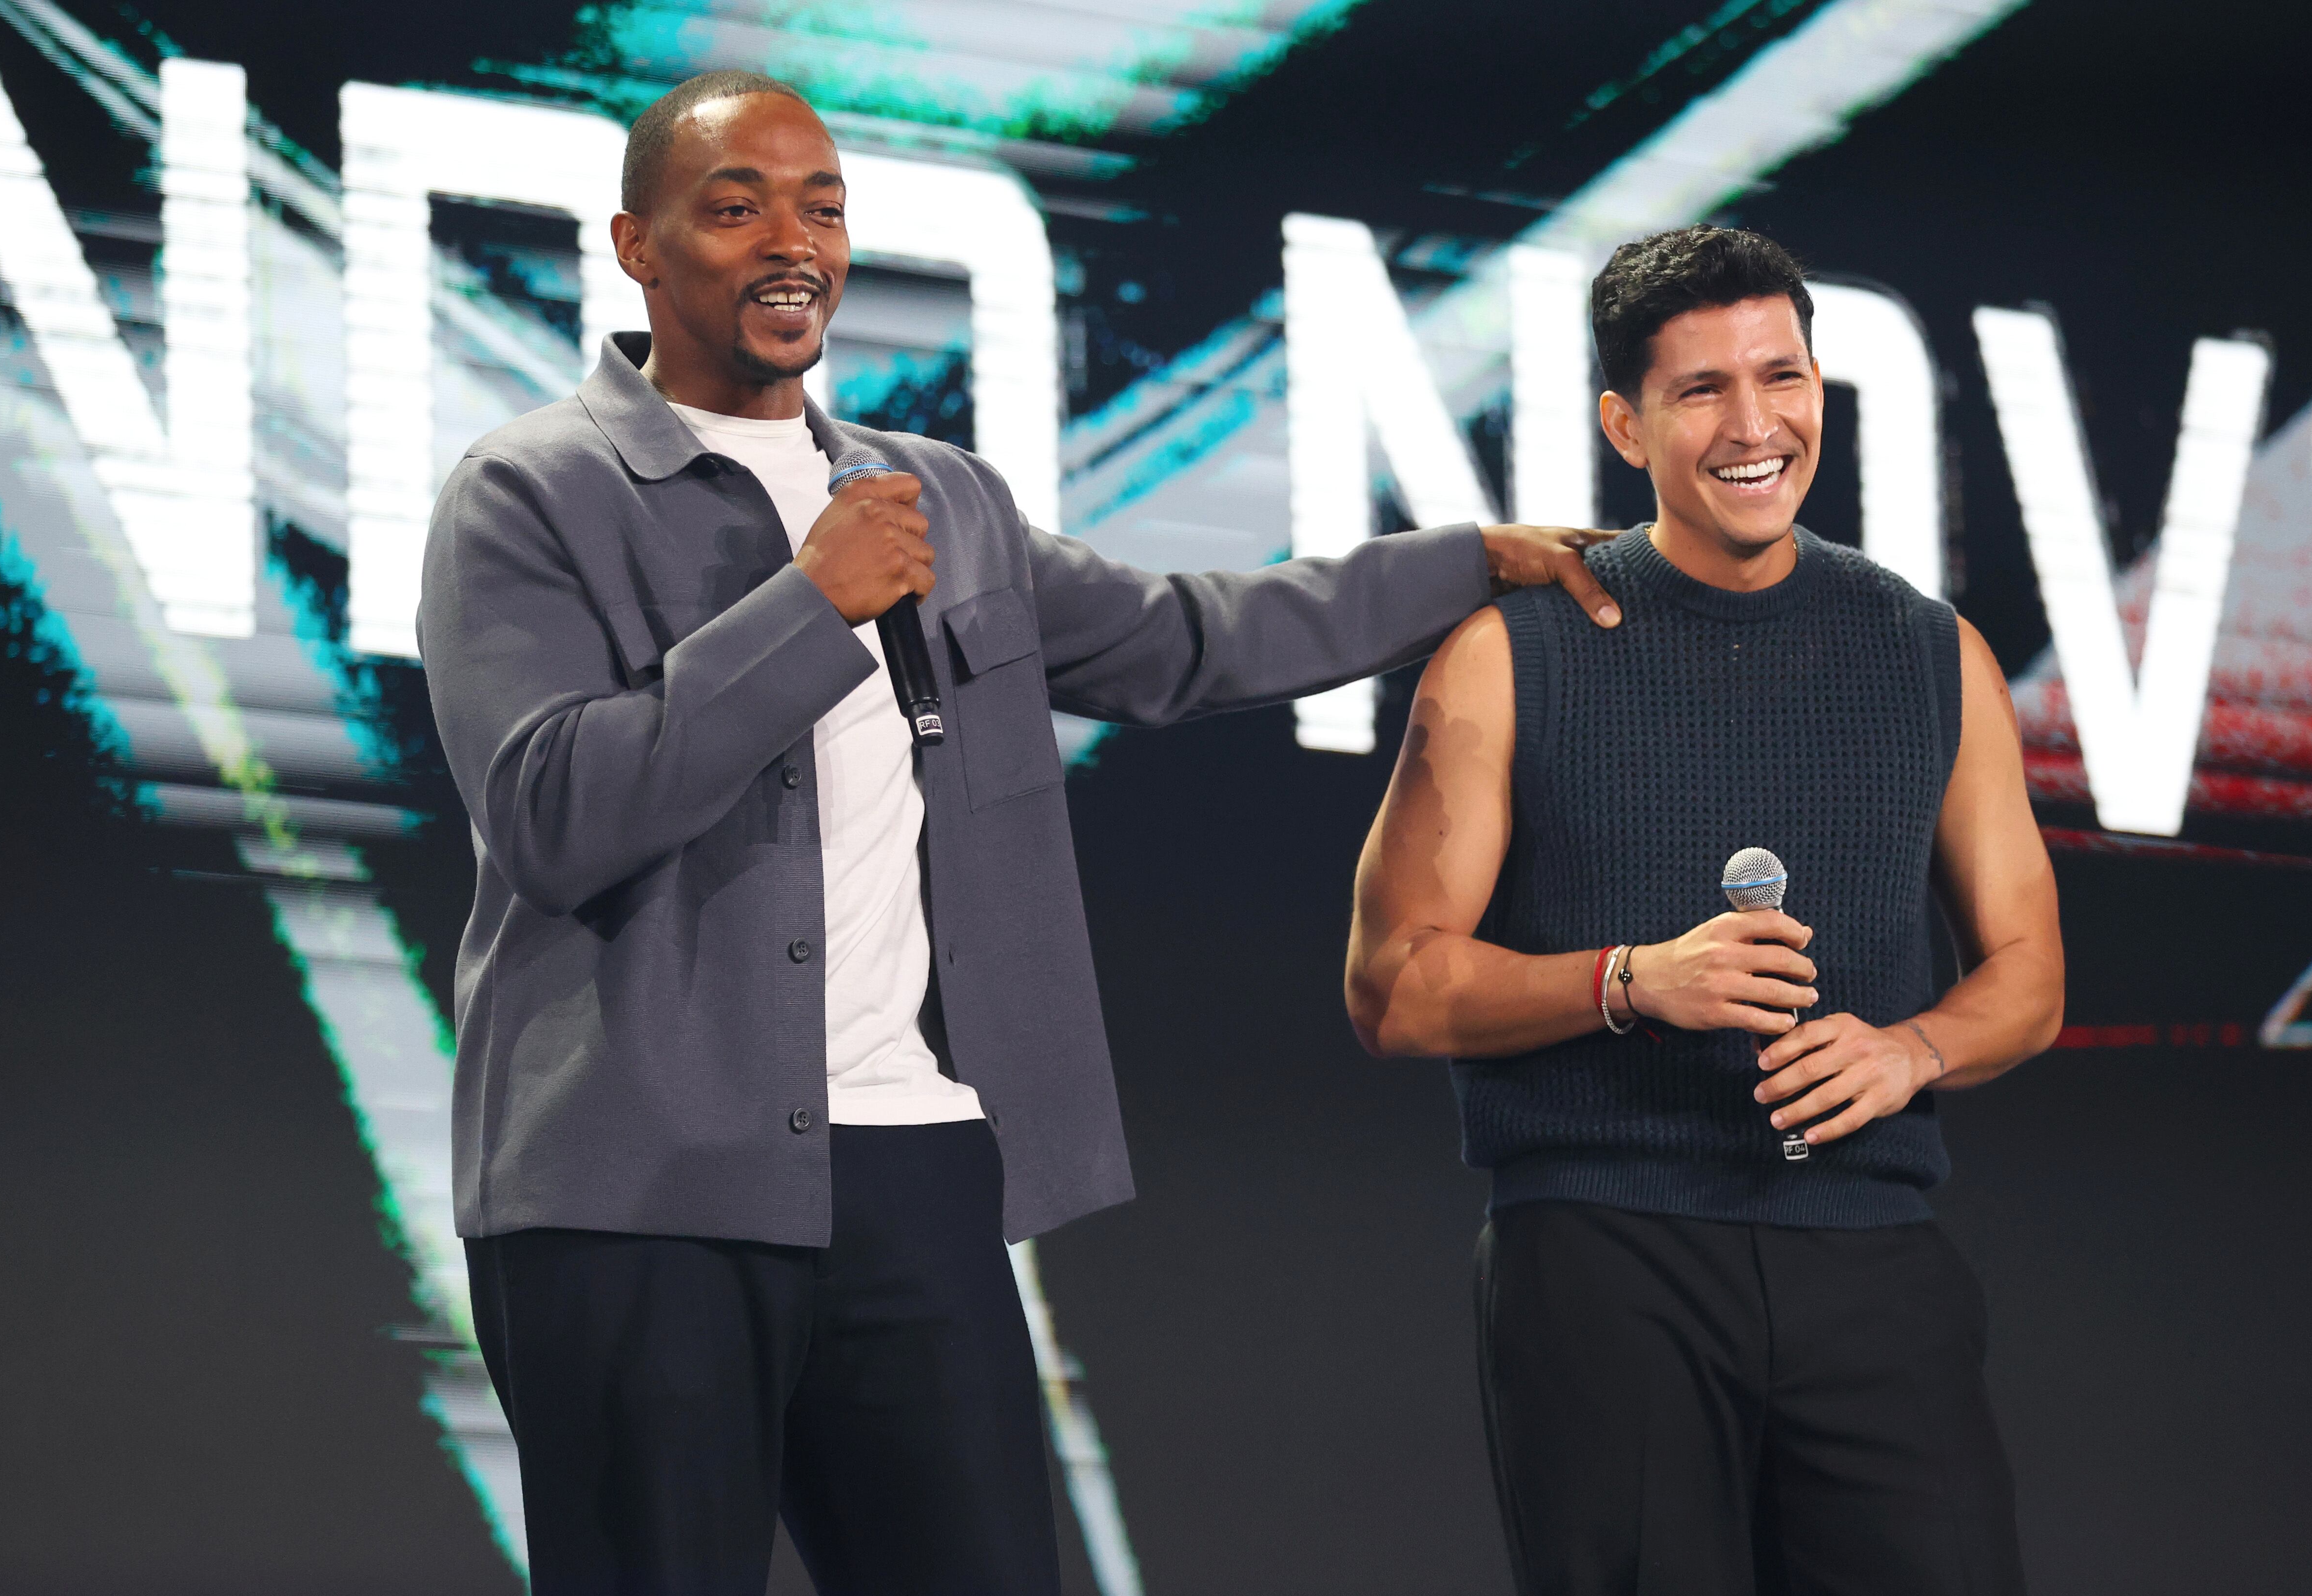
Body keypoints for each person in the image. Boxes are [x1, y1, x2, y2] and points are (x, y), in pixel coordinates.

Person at [418, 69, 1621, 1595]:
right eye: (736, 207)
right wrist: (805, 607)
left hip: (915, 1173)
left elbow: (1186, 637)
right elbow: (550, 812)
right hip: (637, 1187)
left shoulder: (940, 499)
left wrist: (1459, 564)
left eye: (824, 204)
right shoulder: (530, 492)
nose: (794, 240)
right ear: (638, 248)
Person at [1346, 224, 2064, 1594]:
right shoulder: (1514, 653)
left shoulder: (1930, 651)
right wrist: (1627, 979)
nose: (1755, 425)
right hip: (1606, 1255)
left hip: (1871, 1252)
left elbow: (2029, 969)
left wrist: (1911, 1047)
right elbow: (1391, 986)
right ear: (1626, 422)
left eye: (1780, 378)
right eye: (1702, 391)